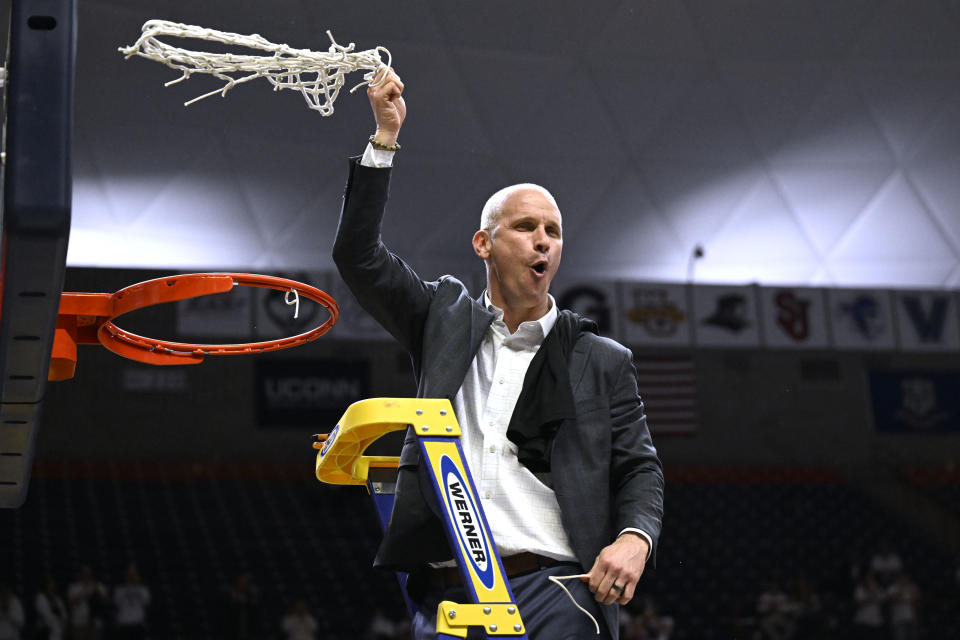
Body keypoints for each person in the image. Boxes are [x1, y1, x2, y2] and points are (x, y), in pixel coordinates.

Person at [333, 66, 664, 640]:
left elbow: (640, 466)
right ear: (483, 243)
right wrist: (384, 139)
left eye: (553, 231)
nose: (543, 240)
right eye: (526, 226)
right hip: (448, 595)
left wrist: (635, 539)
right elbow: (358, 258)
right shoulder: (443, 319)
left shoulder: (601, 358)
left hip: (557, 589)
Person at [112, 564, 150, 640]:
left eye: (133, 575)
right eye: (129, 575)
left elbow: (146, 601)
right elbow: (116, 602)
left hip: (138, 623)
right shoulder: (120, 590)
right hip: (124, 623)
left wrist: (137, 586)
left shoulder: (142, 589)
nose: (131, 577)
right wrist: (127, 587)